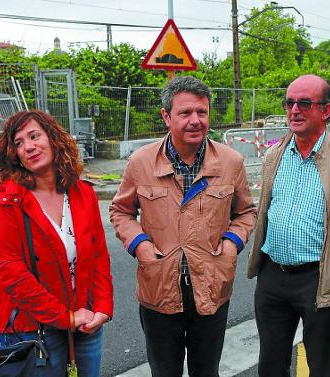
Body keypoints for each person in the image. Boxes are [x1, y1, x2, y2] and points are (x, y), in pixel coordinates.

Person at [109, 76, 257, 377]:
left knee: (207, 371)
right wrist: (141, 246)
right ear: (166, 116)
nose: (195, 121)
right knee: (165, 372)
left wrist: (231, 243)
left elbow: (246, 212)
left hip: (212, 288)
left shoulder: (231, 162)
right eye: (185, 113)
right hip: (159, 289)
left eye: (201, 112)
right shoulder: (141, 162)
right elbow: (121, 211)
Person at [247, 74, 330, 377]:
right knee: (271, 365)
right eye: (289, 103)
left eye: (304, 103)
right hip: (272, 277)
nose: (294, 110)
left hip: (319, 279)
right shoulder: (274, 156)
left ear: (326, 111)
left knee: (318, 363)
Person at [0, 110, 114, 377]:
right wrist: (63, 317)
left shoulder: (83, 193)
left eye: (34, 136)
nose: (29, 146)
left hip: (85, 323)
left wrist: (102, 307)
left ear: (54, 139)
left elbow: (99, 256)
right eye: (19, 143)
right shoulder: (7, 201)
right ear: (15, 155)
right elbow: (10, 272)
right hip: (32, 330)